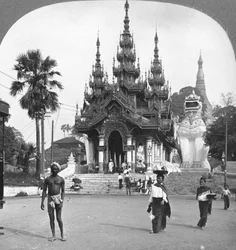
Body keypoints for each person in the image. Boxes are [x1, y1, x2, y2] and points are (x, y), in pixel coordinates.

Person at [41, 162, 66, 242]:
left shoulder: (61, 179)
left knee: (59, 218)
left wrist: (62, 200)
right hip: (50, 199)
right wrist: (42, 202)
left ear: (58, 170)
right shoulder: (48, 179)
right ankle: (53, 235)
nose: (54, 170)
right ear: (51, 169)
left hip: (58, 199)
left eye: (56, 169)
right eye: (53, 169)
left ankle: (62, 235)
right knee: (51, 218)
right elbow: (44, 190)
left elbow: (63, 191)